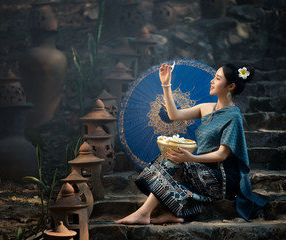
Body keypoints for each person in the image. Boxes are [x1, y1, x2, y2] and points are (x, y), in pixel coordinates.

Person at [114, 62, 268, 225]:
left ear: (230, 86)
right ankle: (171, 212)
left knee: (175, 163)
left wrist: (190, 158)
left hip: (223, 177)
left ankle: (143, 214)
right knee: (166, 158)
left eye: (217, 78)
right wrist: (166, 84)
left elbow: (222, 154)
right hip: (203, 169)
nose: (212, 81)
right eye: (214, 77)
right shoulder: (206, 107)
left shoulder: (233, 116)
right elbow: (174, 115)